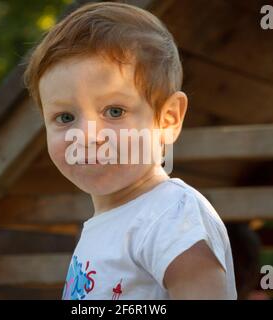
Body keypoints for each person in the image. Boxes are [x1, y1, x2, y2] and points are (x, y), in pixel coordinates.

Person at [23, 1, 237, 300]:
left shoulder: (172, 214)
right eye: (66, 118)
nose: (88, 137)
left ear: (168, 118)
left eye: (114, 111)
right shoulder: (109, 225)